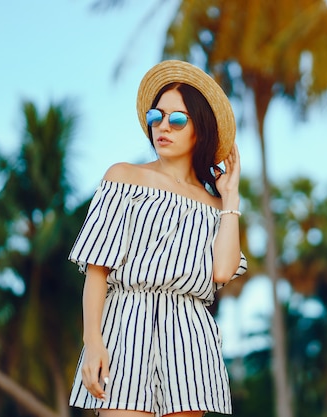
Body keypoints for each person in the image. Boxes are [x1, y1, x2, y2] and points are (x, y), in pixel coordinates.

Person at [67, 60, 247, 417]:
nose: (163, 126)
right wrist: (93, 341)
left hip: (189, 332)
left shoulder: (214, 204)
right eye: (157, 116)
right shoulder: (124, 177)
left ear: (201, 129)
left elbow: (223, 272)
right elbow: (97, 270)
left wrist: (230, 198)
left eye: (177, 119)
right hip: (125, 324)